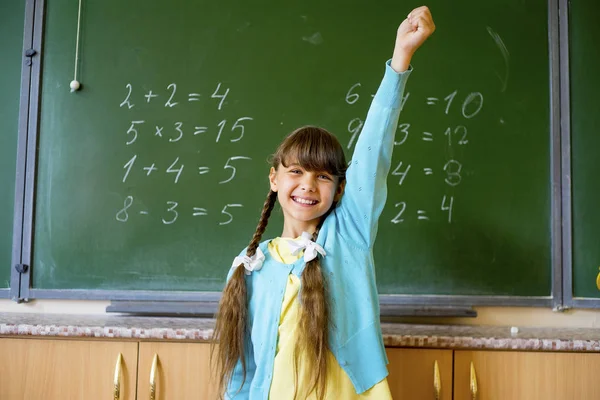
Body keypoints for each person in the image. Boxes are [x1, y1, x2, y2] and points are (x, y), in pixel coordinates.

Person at [212, 6, 436, 399]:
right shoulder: (252, 265)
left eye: (324, 176)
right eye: (296, 172)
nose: (308, 185)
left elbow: (375, 148)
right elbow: (242, 372)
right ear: (274, 179)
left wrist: (400, 60)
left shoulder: (348, 234)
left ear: (341, 189)